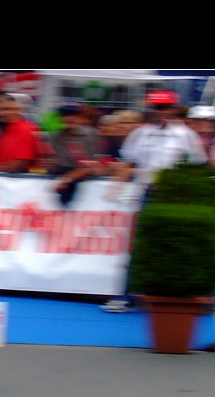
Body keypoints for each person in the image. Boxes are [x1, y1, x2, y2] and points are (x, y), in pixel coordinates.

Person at [101, 90, 208, 313]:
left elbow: (197, 166)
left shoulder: (186, 135)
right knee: (138, 244)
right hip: (147, 193)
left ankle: (193, 296)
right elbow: (128, 161)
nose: (159, 112)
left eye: (163, 108)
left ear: (173, 109)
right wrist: (117, 184)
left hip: (177, 196)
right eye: (155, 107)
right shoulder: (139, 134)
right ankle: (127, 296)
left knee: (181, 245)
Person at [47, 102, 105, 206]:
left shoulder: (91, 134)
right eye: (66, 115)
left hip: (89, 178)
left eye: (74, 115)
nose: (70, 118)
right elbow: (57, 163)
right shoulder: (56, 137)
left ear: (80, 117)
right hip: (66, 174)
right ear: (60, 118)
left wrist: (66, 179)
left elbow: (92, 164)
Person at [0, 93, 39, 175]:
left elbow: (17, 166)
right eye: (1, 109)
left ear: (19, 110)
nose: (5, 113)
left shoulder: (24, 130)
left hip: (16, 182)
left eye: (10, 109)